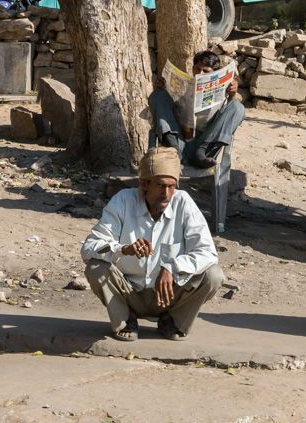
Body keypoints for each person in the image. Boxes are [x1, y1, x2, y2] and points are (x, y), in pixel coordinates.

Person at [81, 146, 224, 341]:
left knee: (213, 275)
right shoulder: (123, 201)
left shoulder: (183, 203)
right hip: (129, 292)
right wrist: (123, 249)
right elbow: (89, 248)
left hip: (169, 294)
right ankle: (126, 319)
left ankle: (173, 321)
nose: (166, 193)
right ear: (144, 184)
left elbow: (207, 253)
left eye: (172, 186)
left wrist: (172, 268)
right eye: (160, 185)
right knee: (95, 267)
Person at [149, 50, 244, 168]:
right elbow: (168, 111)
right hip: (179, 142)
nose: (200, 73)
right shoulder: (186, 85)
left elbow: (232, 110)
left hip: (204, 147)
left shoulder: (225, 89)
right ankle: (174, 151)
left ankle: (200, 153)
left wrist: (232, 95)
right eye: (197, 69)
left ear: (215, 73)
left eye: (206, 71)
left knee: (237, 107)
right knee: (158, 95)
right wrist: (163, 89)